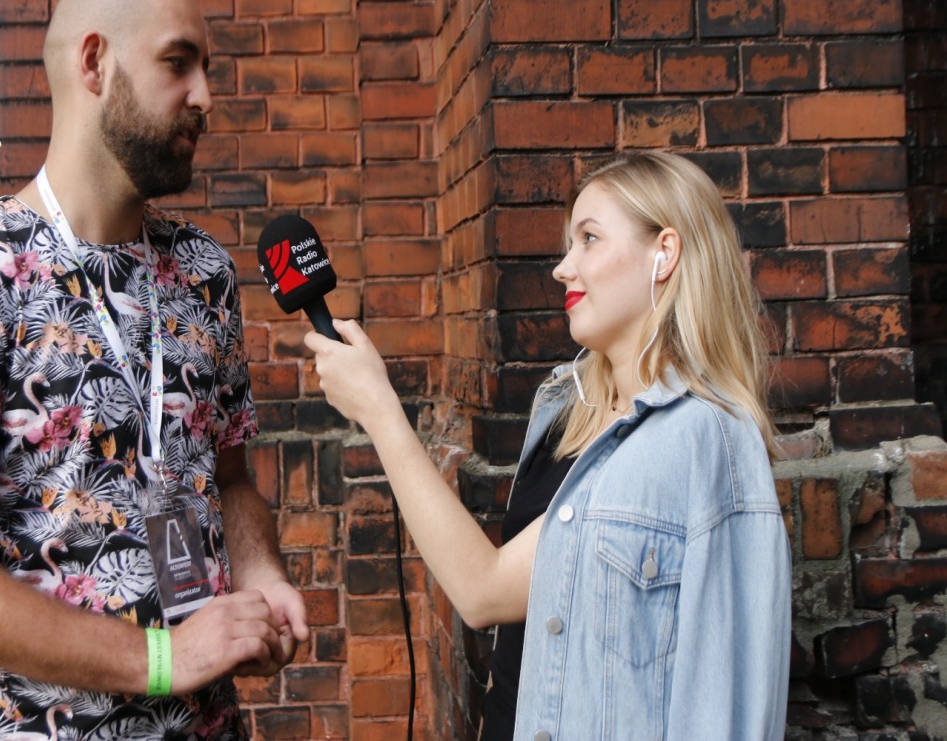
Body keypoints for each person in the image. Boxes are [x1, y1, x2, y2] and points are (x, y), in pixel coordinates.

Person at [0, 0, 308, 740]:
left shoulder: (204, 273)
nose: (205, 96)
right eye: (178, 62)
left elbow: (230, 479)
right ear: (94, 63)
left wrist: (262, 575)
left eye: (207, 69)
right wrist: (162, 659)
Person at [306, 151, 791, 739]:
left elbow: (482, 591)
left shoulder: (711, 438)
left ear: (664, 253)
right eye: (569, 244)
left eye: (589, 238)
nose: (563, 268)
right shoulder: (565, 408)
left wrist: (381, 412)